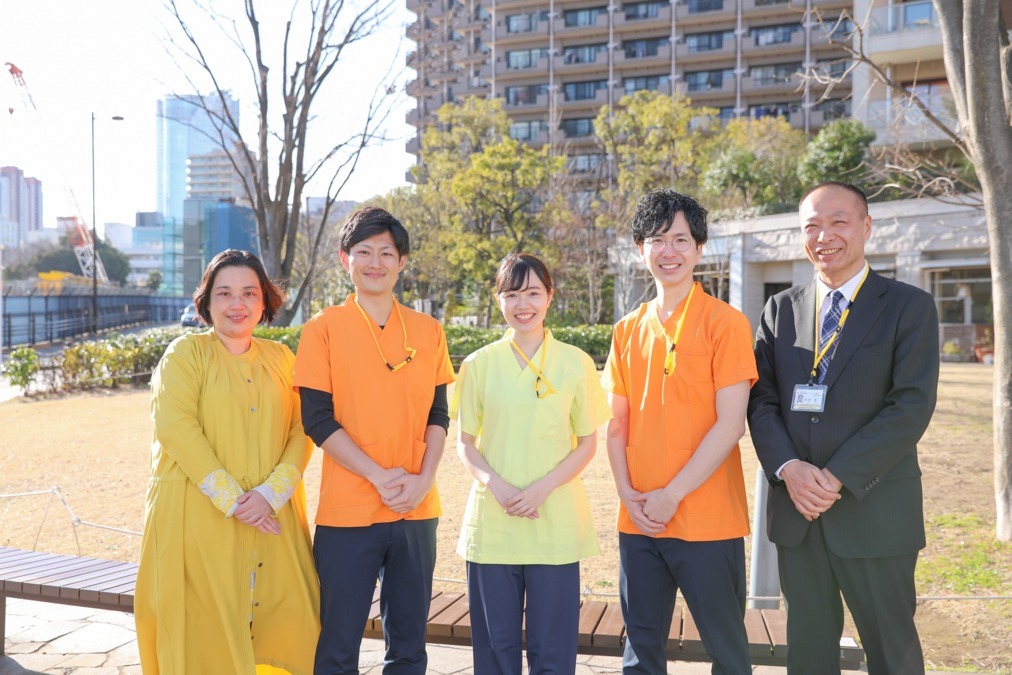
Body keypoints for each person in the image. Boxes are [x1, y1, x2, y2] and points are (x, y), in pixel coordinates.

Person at [747, 181, 939, 674]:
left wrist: (834, 478)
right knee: (809, 655)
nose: (823, 235)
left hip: (874, 512)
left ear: (866, 227)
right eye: (811, 225)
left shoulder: (907, 307)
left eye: (838, 221)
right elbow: (762, 401)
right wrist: (789, 469)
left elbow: (909, 407)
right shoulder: (780, 310)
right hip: (799, 516)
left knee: (891, 653)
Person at [135, 249, 319, 675]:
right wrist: (236, 501)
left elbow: (302, 430)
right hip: (196, 520)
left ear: (264, 302)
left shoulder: (283, 359)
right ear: (207, 301)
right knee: (201, 632)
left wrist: (270, 495)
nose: (238, 304)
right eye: (225, 294)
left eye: (249, 293)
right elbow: (175, 427)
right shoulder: (185, 355)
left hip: (274, 519)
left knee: (292, 623)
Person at [292, 206, 455, 674]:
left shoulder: (428, 331)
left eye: (386, 252)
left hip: (415, 508)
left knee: (408, 644)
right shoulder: (322, 329)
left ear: (402, 260)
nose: (375, 262)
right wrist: (379, 476)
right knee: (337, 642)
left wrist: (424, 479)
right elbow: (317, 420)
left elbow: (438, 414)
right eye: (363, 251)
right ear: (345, 259)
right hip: (348, 513)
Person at [603, 188, 757, 674]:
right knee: (641, 652)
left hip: (708, 518)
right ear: (639, 249)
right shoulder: (627, 329)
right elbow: (616, 425)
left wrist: (674, 493)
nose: (668, 251)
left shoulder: (725, 323)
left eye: (680, 240)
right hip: (641, 519)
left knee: (727, 651)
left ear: (699, 249)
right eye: (656, 240)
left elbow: (731, 423)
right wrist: (628, 495)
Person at [451, 253, 611, 675]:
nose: (524, 304)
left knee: (554, 653)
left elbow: (588, 442)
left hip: (554, 522)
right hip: (494, 523)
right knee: (494, 652)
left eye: (533, 293)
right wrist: (497, 487)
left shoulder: (576, 362)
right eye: (512, 293)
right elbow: (465, 443)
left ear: (550, 297)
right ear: (498, 299)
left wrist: (541, 488)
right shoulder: (478, 365)